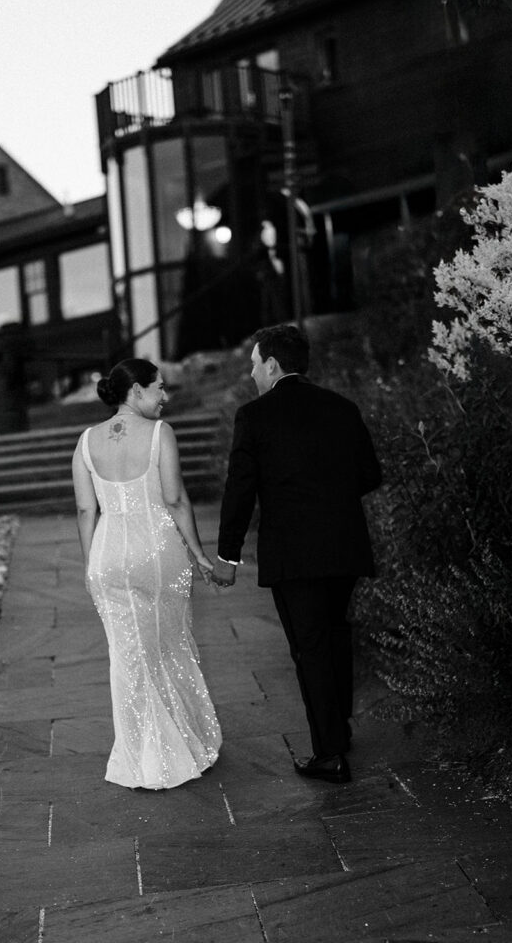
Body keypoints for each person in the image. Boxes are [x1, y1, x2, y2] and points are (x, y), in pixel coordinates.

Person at [211, 324, 381, 784]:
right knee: (335, 633)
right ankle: (339, 731)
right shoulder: (342, 407)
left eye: (253, 365)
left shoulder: (255, 416)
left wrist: (227, 556)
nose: (251, 375)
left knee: (310, 648)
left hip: (294, 552)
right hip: (344, 544)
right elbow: (370, 474)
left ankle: (329, 754)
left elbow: (240, 490)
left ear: (271, 364)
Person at [72, 358, 221, 790]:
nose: (165, 397)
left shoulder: (85, 441)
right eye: (158, 388)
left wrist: (90, 566)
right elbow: (174, 500)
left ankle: (137, 754)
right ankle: (174, 750)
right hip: (155, 552)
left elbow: (86, 510)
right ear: (135, 391)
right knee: (167, 645)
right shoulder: (160, 433)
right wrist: (198, 554)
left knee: (126, 656)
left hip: (105, 555)